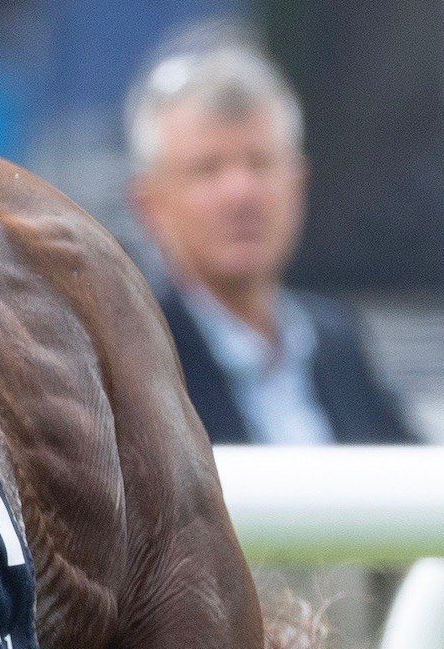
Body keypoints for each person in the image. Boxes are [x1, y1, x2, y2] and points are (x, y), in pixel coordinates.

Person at [127, 41, 418, 444]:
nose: (241, 192)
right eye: (207, 170)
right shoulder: (132, 363)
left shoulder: (337, 342)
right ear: (149, 204)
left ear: (299, 184)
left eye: (261, 163)